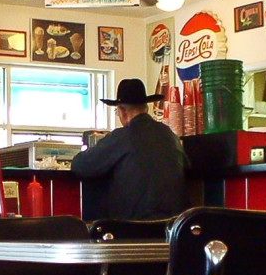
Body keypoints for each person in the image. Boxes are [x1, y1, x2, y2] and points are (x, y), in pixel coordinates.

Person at [71, 78, 189, 221]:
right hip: (174, 229)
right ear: (146, 108)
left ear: (121, 111)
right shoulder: (170, 135)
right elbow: (187, 166)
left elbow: (80, 165)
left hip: (132, 230)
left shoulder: (121, 137)